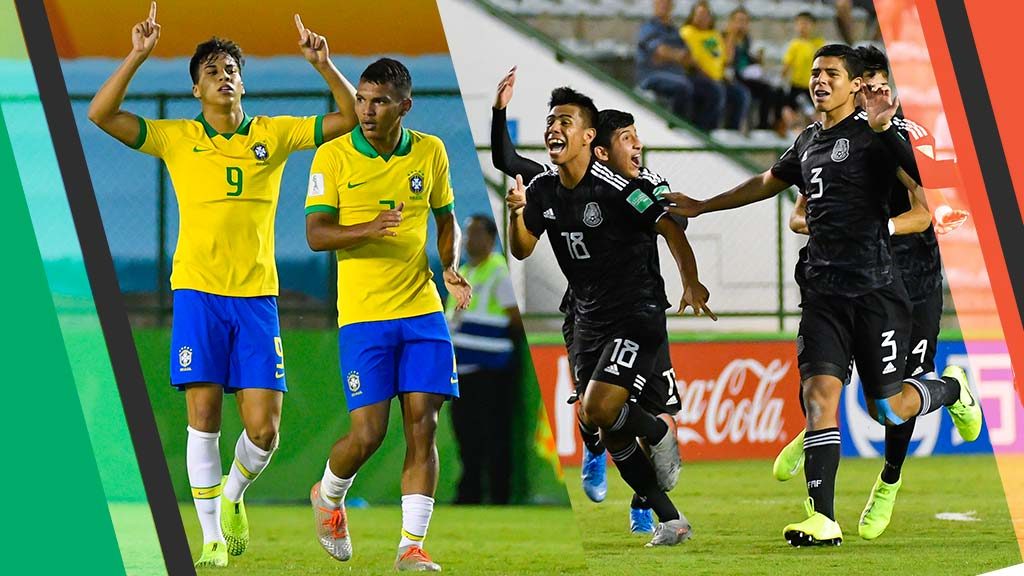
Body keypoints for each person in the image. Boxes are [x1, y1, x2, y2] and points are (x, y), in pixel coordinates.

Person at [663, 44, 982, 547]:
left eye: (831, 72)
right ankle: (824, 518)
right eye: (814, 73)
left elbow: (928, 185)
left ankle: (952, 389)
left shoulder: (881, 133)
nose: (819, 80)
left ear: (856, 84)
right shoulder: (809, 139)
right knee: (819, 397)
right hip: (822, 293)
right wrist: (703, 206)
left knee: (888, 409)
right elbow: (767, 182)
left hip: (877, 291)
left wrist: (884, 132)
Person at [87, 3, 357, 568]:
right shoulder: (176, 137)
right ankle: (211, 537)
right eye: (211, 70)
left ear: (242, 82)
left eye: (231, 67)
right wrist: (137, 53)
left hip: (257, 299)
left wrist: (324, 65)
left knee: (264, 431)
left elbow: (350, 117)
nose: (223, 74)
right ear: (195, 90)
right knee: (203, 417)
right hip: (197, 294)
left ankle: (233, 495)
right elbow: (100, 113)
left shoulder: (274, 135)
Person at [490, 68, 711, 534]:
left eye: (565, 120)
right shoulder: (545, 188)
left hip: (636, 313)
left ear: (589, 137)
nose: (554, 127)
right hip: (587, 316)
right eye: (551, 120)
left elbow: (668, 225)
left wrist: (691, 283)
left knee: (602, 409)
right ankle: (669, 520)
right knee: (599, 420)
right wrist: (514, 214)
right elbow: (523, 248)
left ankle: (657, 432)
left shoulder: (616, 188)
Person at [773, 45, 971, 542]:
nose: (874, 92)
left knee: (889, 400)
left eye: (882, 85)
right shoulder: (828, 140)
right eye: (868, 84)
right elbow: (802, 209)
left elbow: (931, 209)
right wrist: (830, 224)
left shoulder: (904, 134)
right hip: (850, 274)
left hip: (913, 278)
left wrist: (873, 226)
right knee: (834, 383)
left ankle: (890, 477)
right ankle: (820, 447)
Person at [305, 57, 471, 573]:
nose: (367, 110)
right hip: (363, 316)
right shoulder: (332, 157)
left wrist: (451, 265)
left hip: (422, 310)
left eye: (378, 101)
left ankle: (411, 547)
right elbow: (315, 235)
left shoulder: (430, 151)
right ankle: (329, 496)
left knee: (424, 426)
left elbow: (447, 221)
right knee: (369, 435)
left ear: (404, 105)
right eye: (361, 99)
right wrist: (368, 229)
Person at [445, 214, 522, 505]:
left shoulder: (498, 271)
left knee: (496, 435)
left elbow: (514, 318)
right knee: (467, 436)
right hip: (463, 371)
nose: (470, 239)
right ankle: (471, 493)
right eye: (466, 233)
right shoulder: (463, 272)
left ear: (491, 238)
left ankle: (499, 495)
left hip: (492, 371)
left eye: (476, 233)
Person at [635, 0, 722, 130]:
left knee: (712, 89)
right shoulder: (648, 27)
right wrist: (675, 56)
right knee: (683, 86)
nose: (664, 6)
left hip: (677, 74)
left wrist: (672, 56)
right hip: (653, 75)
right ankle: (677, 130)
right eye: (661, 3)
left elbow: (688, 57)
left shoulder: (674, 30)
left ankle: (702, 132)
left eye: (667, 4)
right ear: (654, 5)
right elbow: (660, 51)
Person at [680, 0, 750, 130]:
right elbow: (690, 59)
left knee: (741, 94)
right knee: (716, 91)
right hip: (696, 75)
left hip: (718, 78)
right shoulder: (687, 32)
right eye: (699, 14)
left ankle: (732, 132)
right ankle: (706, 130)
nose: (703, 18)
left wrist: (731, 35)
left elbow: (726, 60)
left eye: (706, 15)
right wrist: (706, 74)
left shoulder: (714, 35)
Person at [724, 7, 785, 133]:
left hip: (747, 75)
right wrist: (731, 36)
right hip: (733, 76)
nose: (741, 25)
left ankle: (766, 125)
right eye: (739, 21)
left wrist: (757, 60)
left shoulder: (746, 40)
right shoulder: (725, 37)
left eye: (745, 21)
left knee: (775, 90)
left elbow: (746, 59)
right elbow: (727, 60)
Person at [781, 12, 826, 131]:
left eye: (806, 23)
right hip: (797, 86)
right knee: (795, 110)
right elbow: (786, 66)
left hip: (814, 86)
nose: (803, 27)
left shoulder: (818, 44)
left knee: (814, 114)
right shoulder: (794, 45)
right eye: (800, 24)